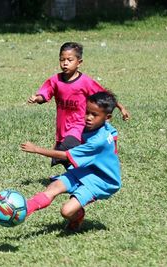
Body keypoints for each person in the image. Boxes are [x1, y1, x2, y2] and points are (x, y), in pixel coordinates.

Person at [21, 91, 121, 231]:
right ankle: (24, 210)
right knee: (53, 188)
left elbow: (67, 156)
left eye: (94, 115)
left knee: (66, 211)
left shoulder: (98, 142)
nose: (88, 118)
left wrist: (36, 149)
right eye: (87, 112)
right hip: (84, 170)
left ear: (107, 117)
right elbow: (114, 134)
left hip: (101, 181)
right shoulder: (105, 127)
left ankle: (78, 216)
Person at [27, 42, 129, 168]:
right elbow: (45, 94)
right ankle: (76, 175)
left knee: (65, 149)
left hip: (79, 125)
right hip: (62, 126)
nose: (65, 63)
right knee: (68, 158)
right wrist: (37, 98)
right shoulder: (55, 80)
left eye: (69, 60)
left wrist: (121, 107)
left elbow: (105, 96)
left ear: (79, 62)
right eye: (62, 60)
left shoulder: (85, 82)